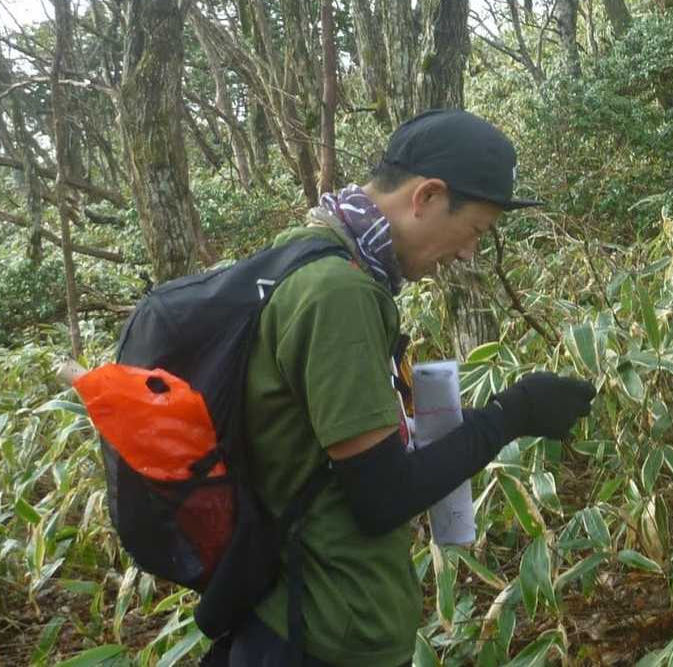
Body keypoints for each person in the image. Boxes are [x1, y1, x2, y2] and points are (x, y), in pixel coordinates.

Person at [216, 110, 597, 666]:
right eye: (475, 231)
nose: (467, 253)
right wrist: (511, 415)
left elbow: (335, 452)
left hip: (302, 614)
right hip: (320, 633)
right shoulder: (337, 293)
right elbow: (383, 497)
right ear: (427, 197)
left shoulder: (307, 255)